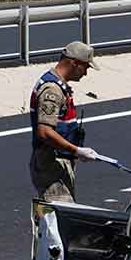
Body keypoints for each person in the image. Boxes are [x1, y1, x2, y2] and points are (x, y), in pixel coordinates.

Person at [30, 42, 98, 203]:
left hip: (58, 161)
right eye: (86, 67)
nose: (86, 73)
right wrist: (76, 150)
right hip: (52, 163)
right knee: (59, 216)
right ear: (74, 63)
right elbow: (45, 132)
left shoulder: (60, 86)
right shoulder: (52, 90)